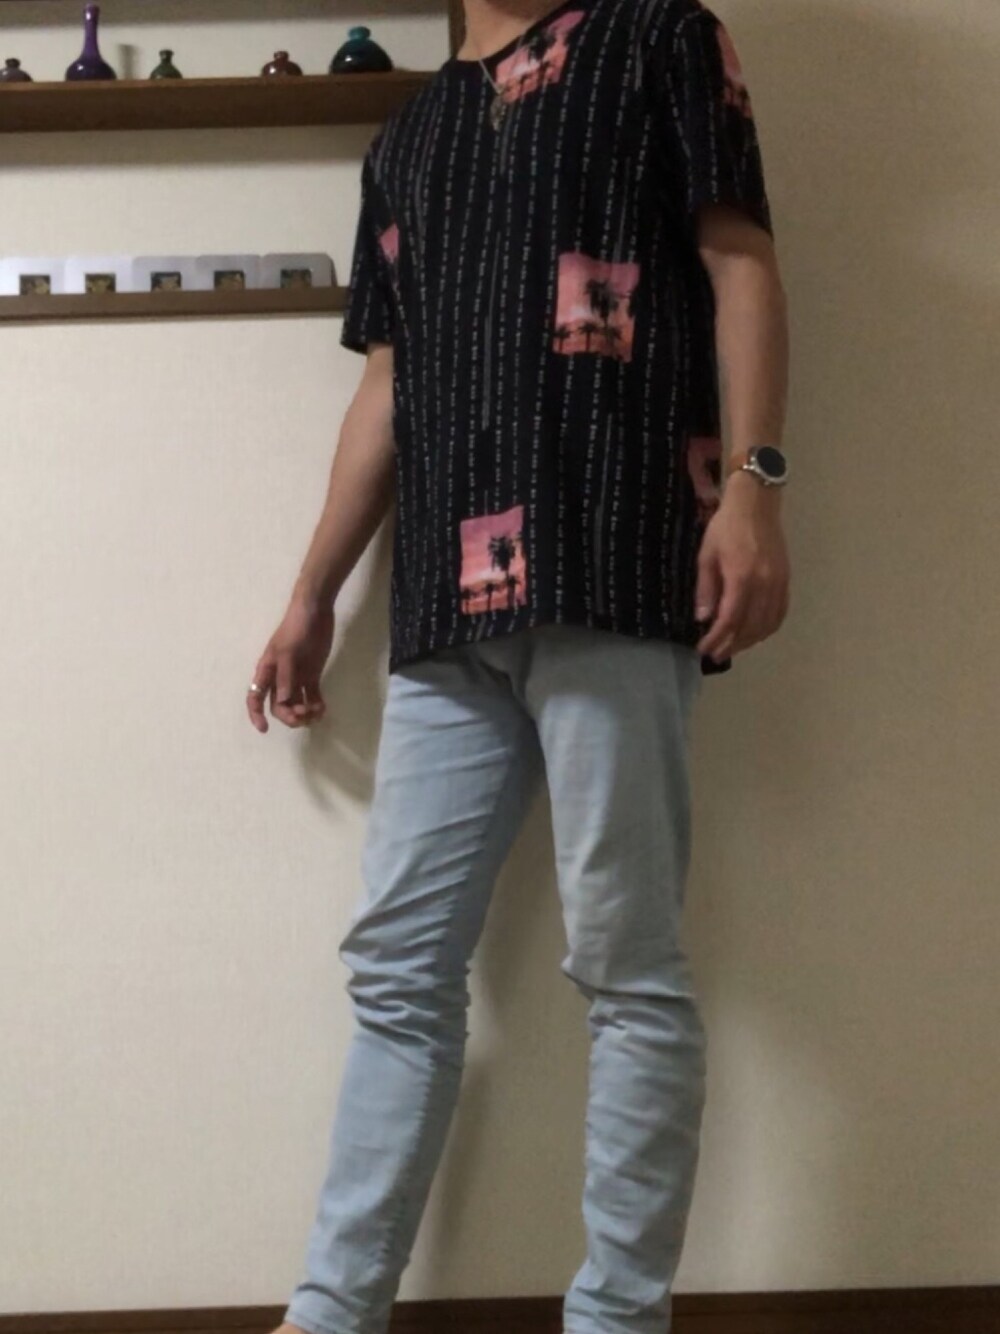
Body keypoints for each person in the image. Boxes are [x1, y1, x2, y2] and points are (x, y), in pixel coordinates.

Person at [248, 1, 790, 1331]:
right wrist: (313, 594)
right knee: (398, 970)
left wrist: (758, 488)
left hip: (616, 560)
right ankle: (331, 1311)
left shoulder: (661, 35)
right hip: (445, 605)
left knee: (626, 966)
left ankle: (616, 1317)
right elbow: (386, 385)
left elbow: (739, 264)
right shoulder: (409, 134)